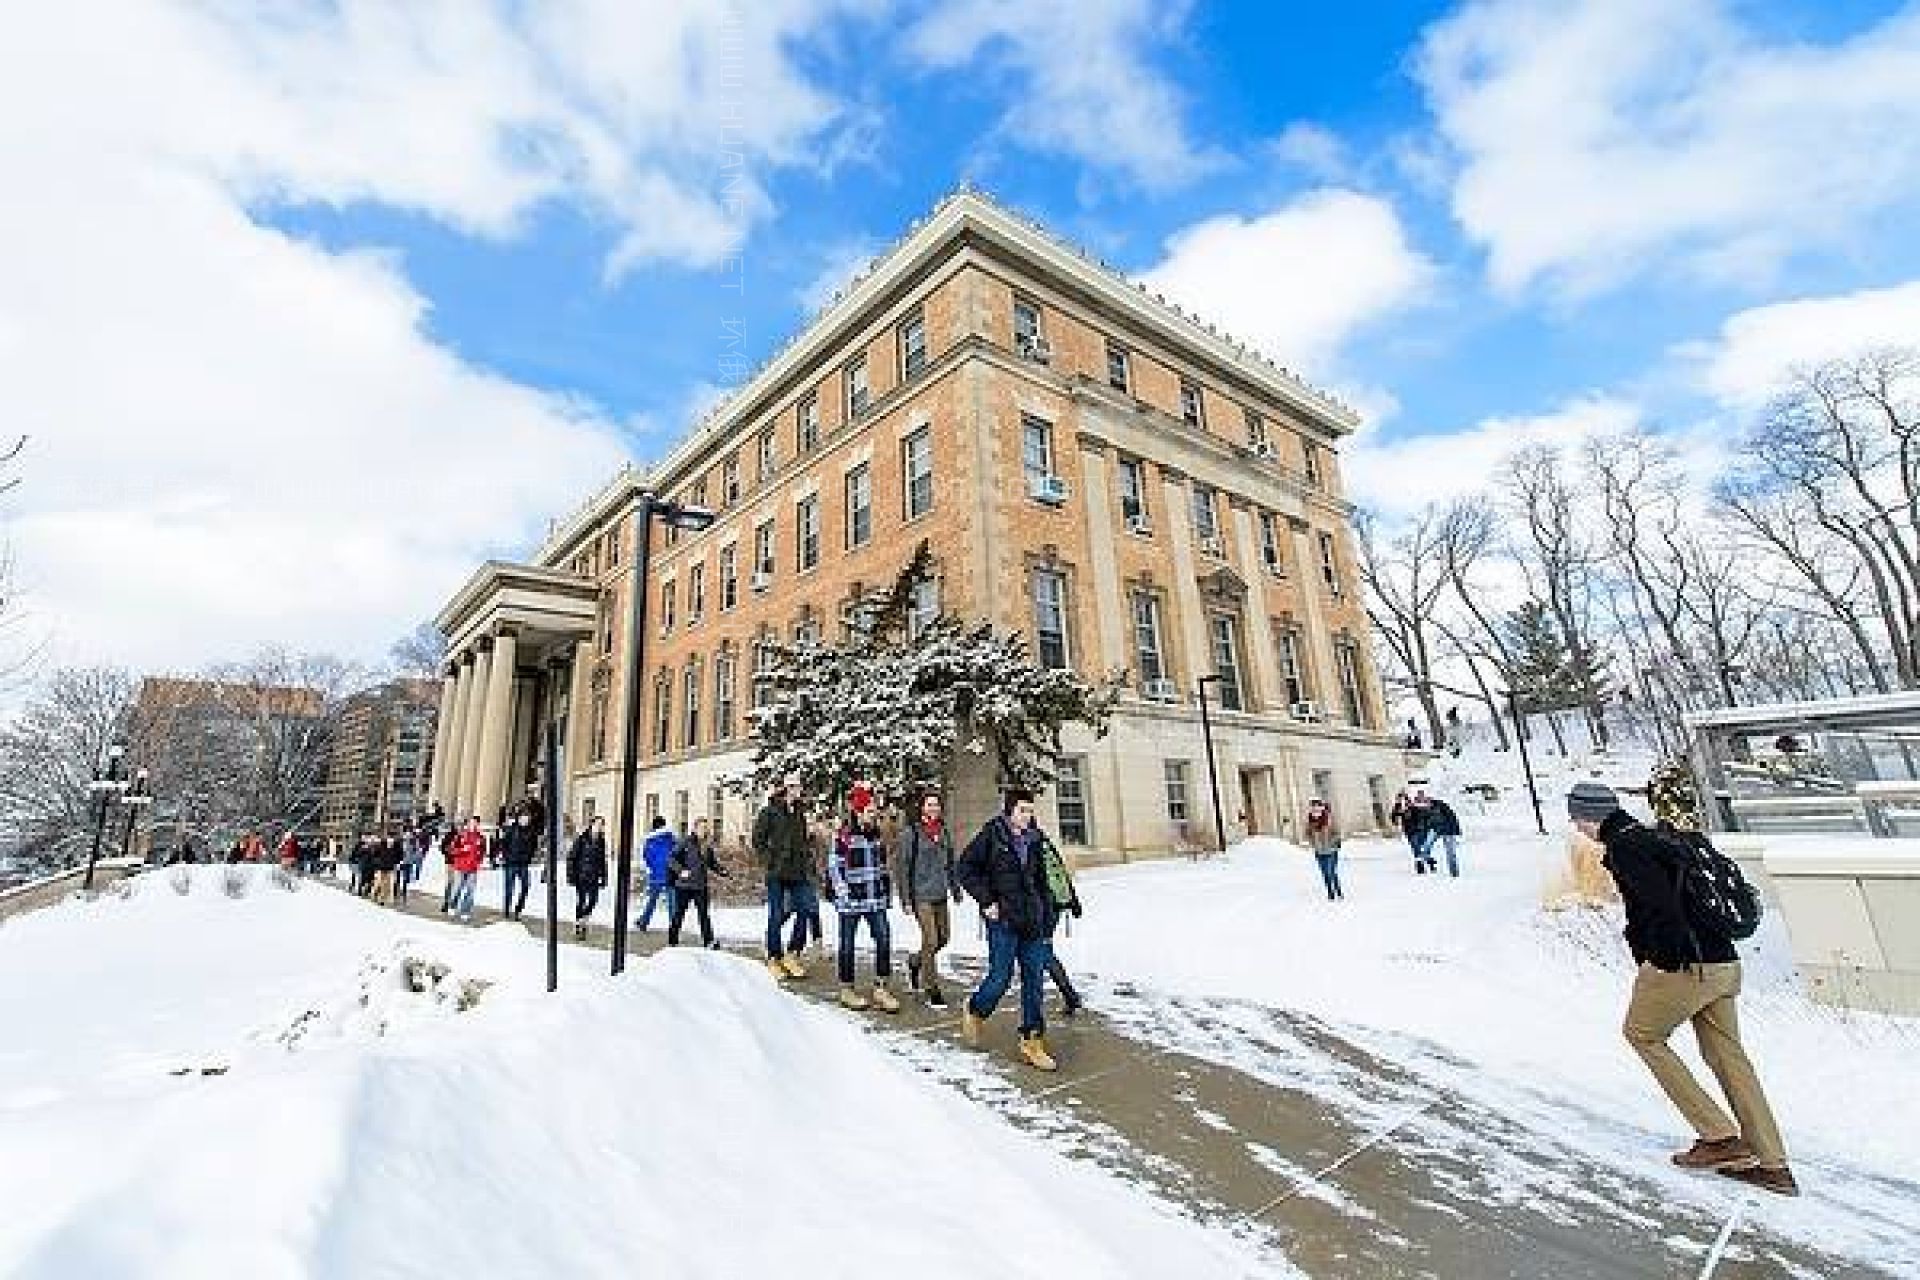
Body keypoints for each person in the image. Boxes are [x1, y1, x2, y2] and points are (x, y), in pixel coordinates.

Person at [1567, 781, 1797, 1197]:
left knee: (1643, 1034)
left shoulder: (1627, 848)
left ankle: (1720, 1138)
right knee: (1729, 1058)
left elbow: (1662, 910)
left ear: (1589, 816)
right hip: (1724, 962)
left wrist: (1659, 960)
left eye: (1576, 817)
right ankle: (1773, 1164)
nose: (1576, 826)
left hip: (1686, 966)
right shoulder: (1658, 837)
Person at [956, 789, 1060, 1072]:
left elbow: (1042, 882)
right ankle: (976, 1009)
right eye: (1022, 810)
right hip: (1002, 919)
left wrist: (1047, 916)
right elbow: (965, 869)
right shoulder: (992, 835)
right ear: (1009, 811)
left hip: (1031, 920)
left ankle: (1032, 1040)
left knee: (1034, 979)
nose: (1028, 816)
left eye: (1030, 810)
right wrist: (987, 900)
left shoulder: (1036, 839)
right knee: (1000, 977)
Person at [828, 784, 900, 1012]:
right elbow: (835, 865)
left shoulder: (876, 833)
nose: (873, 814)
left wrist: (886, 892)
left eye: (874, 811)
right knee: (847, 944)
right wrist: (842, 891)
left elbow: (882, 865)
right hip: (851, 898)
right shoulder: (844, 835)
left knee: (884, 939)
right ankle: (847, 988)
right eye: (869, 810)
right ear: (858, 812)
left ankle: (881, 987)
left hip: (874, 897)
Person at [898, 790, 961, 1007]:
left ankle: (916, 962)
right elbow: (903, 867)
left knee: (944, 938)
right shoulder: (911, 833)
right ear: (922, 808)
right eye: (930, 805)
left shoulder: (943, 831)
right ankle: (932, 988)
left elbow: (951, 861)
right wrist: (906, 899)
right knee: (931, 940)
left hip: (940, 893)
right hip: (920, 895)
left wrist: (955, 887)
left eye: (936, 805)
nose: (934, 808)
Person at [753, 776, 815, 980]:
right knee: (777, 913)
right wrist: (770, 861)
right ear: (788, 788)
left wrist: (808, 856)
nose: (800, 790)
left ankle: (792, 953)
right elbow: (758, 841)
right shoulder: (769, 811)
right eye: (796, 786)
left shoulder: (799, 812)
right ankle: (773, 956)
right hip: (777, 871)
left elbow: (803, 840)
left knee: (805, 910)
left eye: (800, 786)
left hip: (798, 870)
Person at [1035, 825, 1084, 1016]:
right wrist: (1073, 900)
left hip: (1043, 909)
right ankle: (1069, 996)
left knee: (1042, 953)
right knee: (1043, 952)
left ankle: (1070, 995)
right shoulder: (1046, 844)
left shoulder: (1029, 845)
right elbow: (1062, 872)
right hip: (1055, 907)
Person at [667, 816, 728, 947]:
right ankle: (672, 940)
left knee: (704, 914)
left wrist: (721, 871)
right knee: (679, 913)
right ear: (695, 829)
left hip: (700, 886)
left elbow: (712, 863)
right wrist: (680, 871)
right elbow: (672, 859)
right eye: (702, 828)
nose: (705, 830)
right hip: (684, 885)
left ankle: (709, 941)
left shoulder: (706, 846)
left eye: (706, 828)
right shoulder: (685, 842)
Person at [566, 816, 609, 941]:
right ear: (591, 825)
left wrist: (604, 877)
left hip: (594, 876)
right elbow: (572, 857)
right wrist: (571, 875)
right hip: (581, 875)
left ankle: (582, 921)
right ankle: (580, 926)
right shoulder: (581, 839)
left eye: (601, 825)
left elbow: (603, 861)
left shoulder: (601, 841)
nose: (599, 827)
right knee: (581, 900)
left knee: (593, 901)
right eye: (597, 824)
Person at [636, 816, 679, 932]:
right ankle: (674, 925)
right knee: (672, 902)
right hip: (670, 874)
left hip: (655, 875)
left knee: (652, 900)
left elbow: (646, 858)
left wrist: (651, 869)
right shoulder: (671, 839)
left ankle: (643, 922)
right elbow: (678, 855)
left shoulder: (649, 840)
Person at [1409, 790, 1463, 877]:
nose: (1423, 806)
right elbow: (1422, 823)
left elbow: (1451, 816)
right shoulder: (1422, 811)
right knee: (1426, 847)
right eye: (1420, 803)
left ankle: (1454, 872)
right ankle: (1424, 860)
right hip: (1435, 829)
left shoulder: (1440, 805)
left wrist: (1457, 830)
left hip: (1448, 829)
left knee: (1450, 851)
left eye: (1424, 802)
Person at [447, 816, 486, 924]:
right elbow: (451, 850)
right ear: (468, 824)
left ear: (478, 825)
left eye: (475, 823)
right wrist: (462, 850)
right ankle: (452, 905)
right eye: (471, 823)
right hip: (460, 867)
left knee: (470, 891)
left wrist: (479, 862)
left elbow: (483, 852)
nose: (473, 825)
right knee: (457, 888)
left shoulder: (481, 838)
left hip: (473, 868)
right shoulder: (460, 836)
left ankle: (466, 911)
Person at [500, 808, 538, 920]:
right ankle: (506, 910)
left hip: (523, 864)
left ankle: (518, 909)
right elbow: (504, 844)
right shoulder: (511, 829)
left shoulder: (532, 832)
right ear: (519, 818)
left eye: (527, 818)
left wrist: (529, 857)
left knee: (526, 886)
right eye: (523, 818)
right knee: (509, 889)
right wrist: (506, 857)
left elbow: (533, 847)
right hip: (511, 863)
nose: (525, 820)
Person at [1305, 798, 1343, 901]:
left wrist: (1334, 842)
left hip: (1331, 850)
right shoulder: (1310, 821)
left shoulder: (1329, 819)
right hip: (1319, 851)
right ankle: (1330, 893)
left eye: (1317, 806)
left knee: (1331, 872)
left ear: (1321, 807)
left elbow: (1337, 832)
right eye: (1313, 807)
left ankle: (1338, 891)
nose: (1315, 809)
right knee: (1325, 873)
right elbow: (1307, 834)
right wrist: (1313, 843)